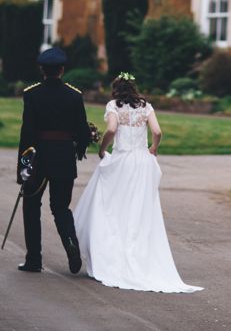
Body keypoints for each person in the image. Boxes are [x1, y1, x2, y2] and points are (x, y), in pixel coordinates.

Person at [74, 73, 202, 293]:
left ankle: (111, 253)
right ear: (134, 88)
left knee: (113, 208)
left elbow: (112, 129)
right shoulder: (146, 106)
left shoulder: (114, 106)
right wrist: (154, 148)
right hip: (142, 163)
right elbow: (157, 131)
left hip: (122, 160)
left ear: (116, 89)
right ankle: (137, 251)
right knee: (139, 210)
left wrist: (103, 149)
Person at [17, 47, 91, 273]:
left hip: (38, 159)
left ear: (42, 70)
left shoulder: (32, 94)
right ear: (62, 69)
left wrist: (23, 169)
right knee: (61, 208)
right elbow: (82, 133)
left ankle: (34, 260)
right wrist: (79, 145)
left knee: (31, 207)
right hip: (63, 159)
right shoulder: (74, 95)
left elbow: (26, 133)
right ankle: (71, 247)